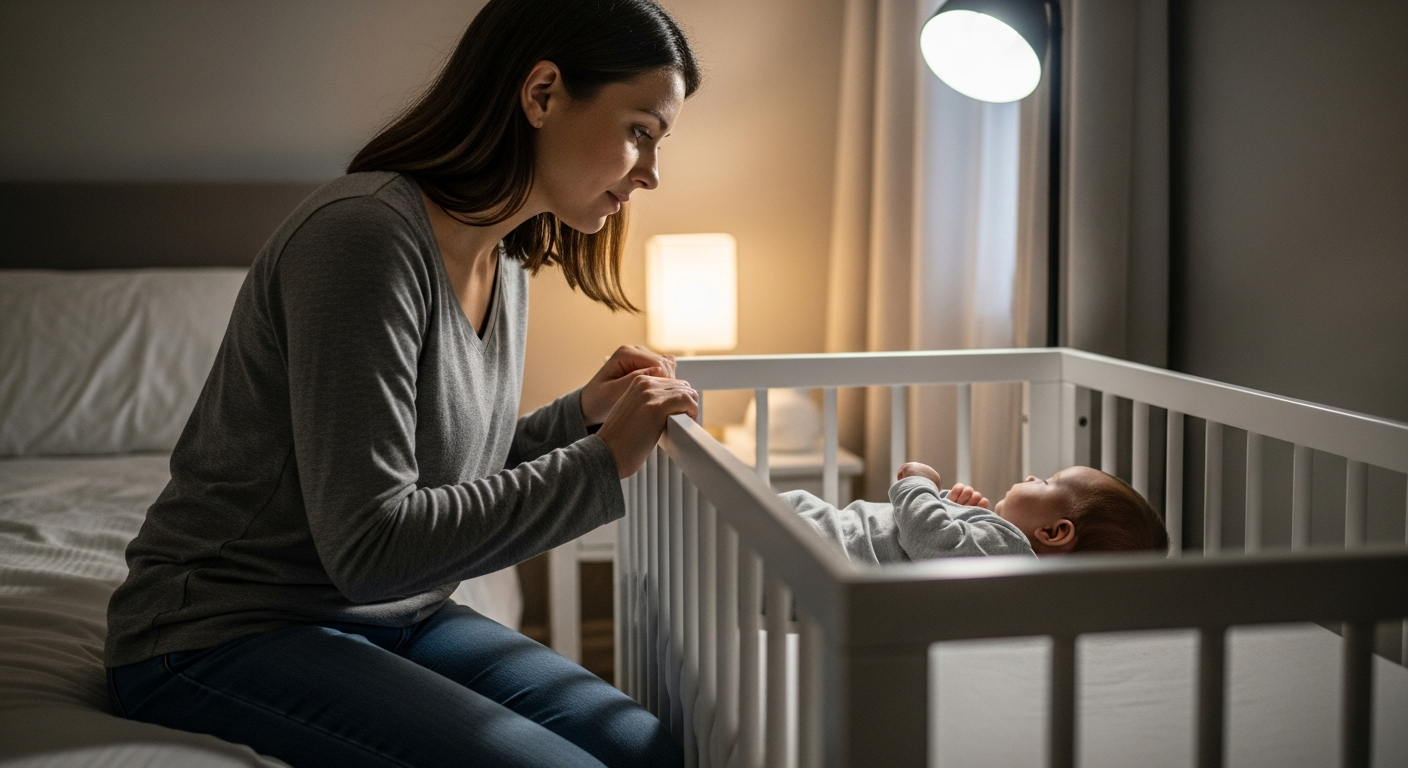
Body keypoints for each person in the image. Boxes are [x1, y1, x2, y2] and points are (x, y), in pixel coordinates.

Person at [104, 1, 700, 766]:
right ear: (543, 93)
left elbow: (445, 481)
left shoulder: (505, 261)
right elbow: (372, 546)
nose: (651, 173)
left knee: (643, 745)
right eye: (640, 133)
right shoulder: (363, 239)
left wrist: (580, 419)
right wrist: (600, 462)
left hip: (393, 612)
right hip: (223, 628)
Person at [785, 462, 1169, 563]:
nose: (1033, 475)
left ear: (1054, 533)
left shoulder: (1010, 550)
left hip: (819, 548)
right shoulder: (1000, 552)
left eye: (1047, 482)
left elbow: (923, 534)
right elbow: (941, 547)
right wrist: (954, 511)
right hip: (821, 540)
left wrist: (919, 484)